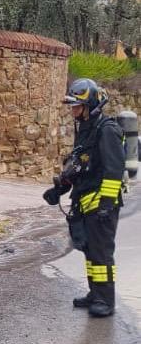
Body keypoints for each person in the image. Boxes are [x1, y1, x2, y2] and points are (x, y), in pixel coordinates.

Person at [43, 78, 125, 317]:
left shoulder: (107, 130)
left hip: (102, 204)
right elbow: (80, 166)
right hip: (86, 201)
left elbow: (114, 171)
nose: (73, 110)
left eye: (77, 105)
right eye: (72, 106)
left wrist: (106, 206)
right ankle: (94, 294)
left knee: (101, 253)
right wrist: (59, 190)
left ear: (90, 104)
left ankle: (105, 300)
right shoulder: (87, 128)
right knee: (90, 251)